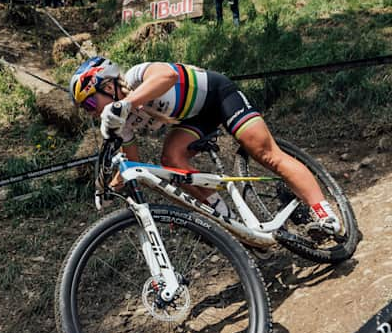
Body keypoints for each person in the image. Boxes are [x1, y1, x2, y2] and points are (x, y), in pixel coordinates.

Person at [69, 57, 341, 233]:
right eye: (85, 109)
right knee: (171, 160)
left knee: (265, 154)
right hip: (195, 119)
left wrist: (126, 103)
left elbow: (167, 77)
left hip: (219, 95)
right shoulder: (124, 120)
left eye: (91, 103)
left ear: (107, 85)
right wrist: (111, 182)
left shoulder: (137, 76)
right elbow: (130, 157)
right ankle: (223, 216)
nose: (90, 111)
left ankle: (324, 213)